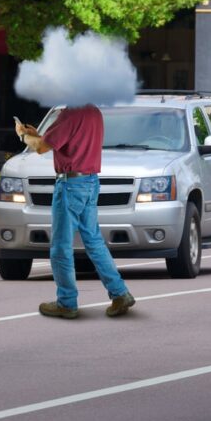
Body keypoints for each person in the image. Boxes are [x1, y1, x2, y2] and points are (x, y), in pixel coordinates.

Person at [15, 104, 135, 319]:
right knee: (94, 241)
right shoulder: (93, 111)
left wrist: (24, 136)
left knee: (61, 246)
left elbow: (42, 148)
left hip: (70, 184)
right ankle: (120, 293)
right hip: (90, 181)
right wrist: (39, 135)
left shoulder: (70, 113)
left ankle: (67, 302)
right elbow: (68, 142)